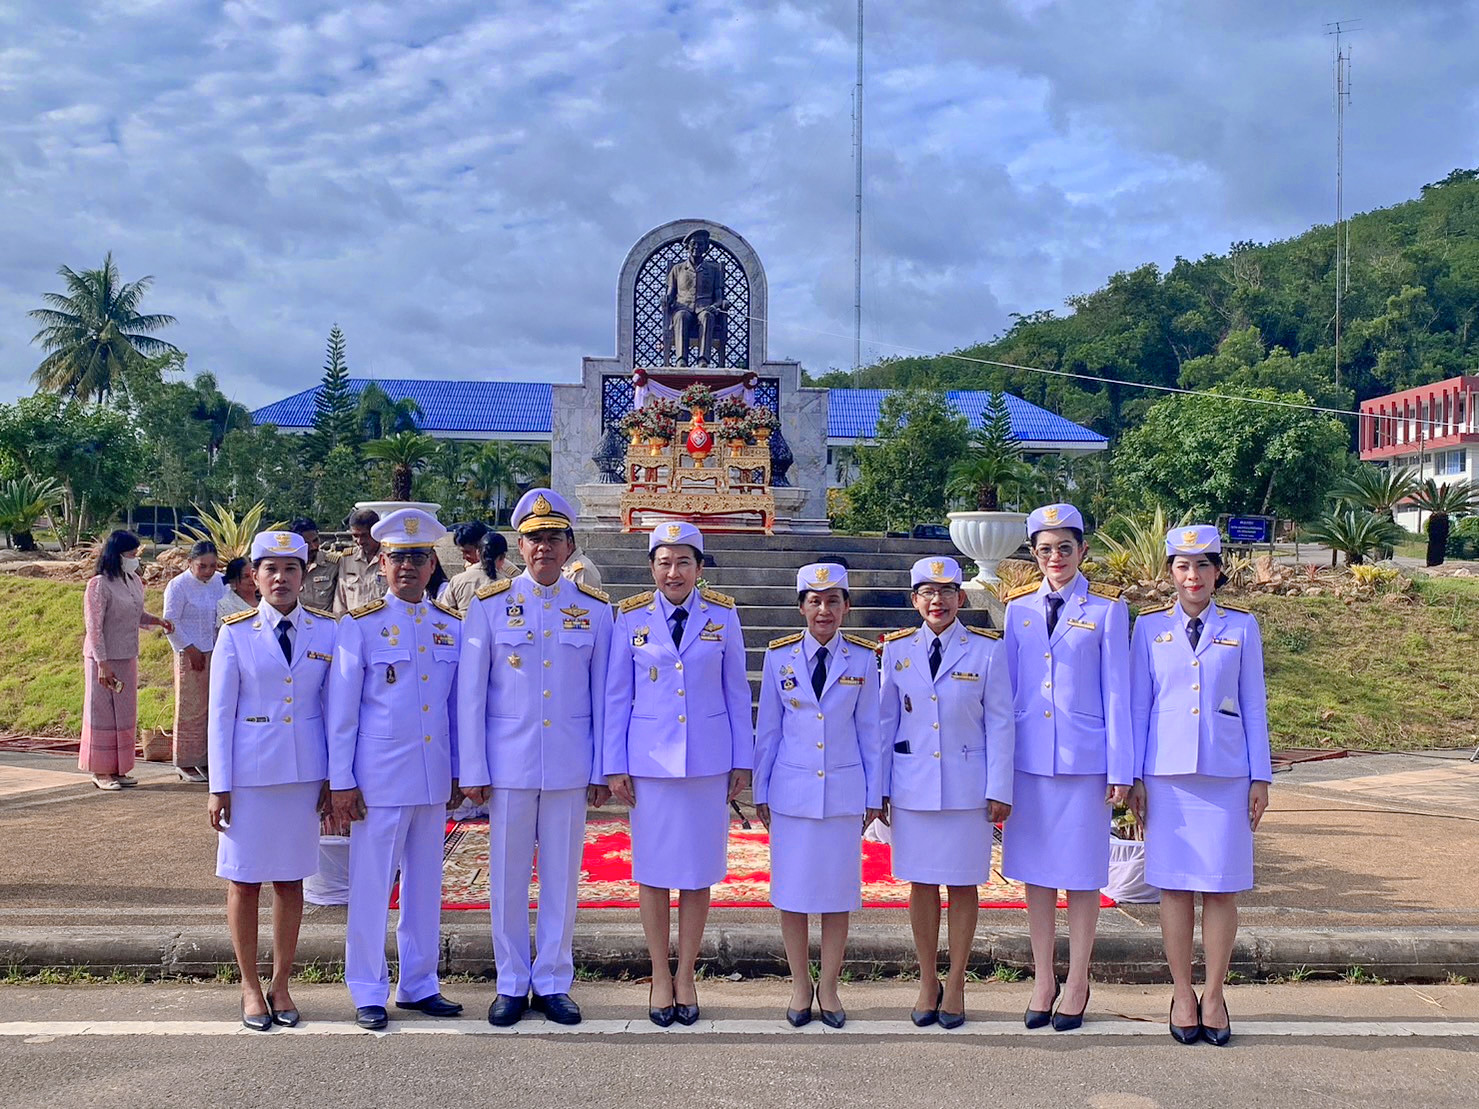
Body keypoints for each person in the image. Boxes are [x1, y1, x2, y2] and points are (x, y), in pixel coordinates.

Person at [458, 489, 613, 1027]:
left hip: (570, 764)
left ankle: (552, 980)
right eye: (534, 538)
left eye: (554, 538)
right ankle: (510, 981)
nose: (544, 547)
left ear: (570, 546)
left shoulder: (594, 610)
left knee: (563, 876)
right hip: (510, 765)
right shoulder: (489, 605)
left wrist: (601, 768)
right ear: (519, 545)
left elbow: (604, 696)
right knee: (506, 876)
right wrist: (473, 769)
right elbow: (471, 695)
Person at [604, 520, 751, 1026]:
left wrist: (742, 760)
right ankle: (659, 976)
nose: (674, 572)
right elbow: (616, 696)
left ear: (699, 569)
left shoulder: (723, 617)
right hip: (649, 766)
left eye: (683, 562)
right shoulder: (630, 619)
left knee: (697, 871)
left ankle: (686, 974)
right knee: (651, 871)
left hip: (708, 762)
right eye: (664, 562)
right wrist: (614, 765)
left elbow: (737, 692)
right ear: (652, 568)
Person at [1129, 526, 1271, 1047]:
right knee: (1174, 886)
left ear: (1217, 572)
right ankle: (1182, 992)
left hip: (1227, 775)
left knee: (1220, 886)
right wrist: (1135, 777)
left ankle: (1214, 993)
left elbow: (1254, 704)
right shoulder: (1147, 629)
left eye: (1203, 565)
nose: (1193, 576)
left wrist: (1261, 776)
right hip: (1166, 777)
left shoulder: (1243, 627)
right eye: (1182, 566)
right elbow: (1137, 707)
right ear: (1170, 572)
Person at [327, 508, 464, 1031]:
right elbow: (343, 713)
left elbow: (453, 709)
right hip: (378, 777)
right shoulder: (359, 627)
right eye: (397, 557)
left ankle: (419, 983)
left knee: (426, 885)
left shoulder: (449, 627)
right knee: (371, 885)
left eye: (417, 557)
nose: (407, 566)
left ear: (432, 565)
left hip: (431, 776)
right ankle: (366, 987)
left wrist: (457, 771)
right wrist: (342, 781)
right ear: (381, 563)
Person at [1001, 504, 1133, 1031]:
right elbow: (1005, 696)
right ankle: (1042, 978)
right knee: (1034, 874)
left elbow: (1118, 694)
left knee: (1080, 876)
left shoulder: (1106, 610)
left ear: (1082, 551)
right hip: (1030, 762)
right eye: (1044, 549)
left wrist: (1120, 769)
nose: (1054, 558)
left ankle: (1077, 979)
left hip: (1084, 763)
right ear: (1034, 554)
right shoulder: (1018, 611)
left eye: (1064, 548)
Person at [208, 530, 337, 1031]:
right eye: (270, 570)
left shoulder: (326, 632)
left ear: (303, 576)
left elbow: (332, 709)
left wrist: (333, 776)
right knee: (243, 879)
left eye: (291, 569)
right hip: (249, 777)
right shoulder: (235, 633)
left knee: (289, 879)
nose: (281, 579)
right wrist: (219, 785)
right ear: (254, 578)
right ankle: (248, 986)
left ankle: (281, 982)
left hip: (304, 774)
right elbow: (221, 716)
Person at [880, 556, 1013, 1029]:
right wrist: (880, 791)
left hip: (967, 789)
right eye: (926, 592)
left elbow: (1000, 723)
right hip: (913, 786)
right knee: (920, 884)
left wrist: (1000, 787)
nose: (937, 601)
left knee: (961, 885)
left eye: (947, 591)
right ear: (914, 599)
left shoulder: (987, 652)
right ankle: (927, 980)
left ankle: (955, 982)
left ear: (961, 597)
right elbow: (884, 724)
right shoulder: (896, 651)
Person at [753, 563, 883, 1029]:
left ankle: (828, 987)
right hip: (791, 792)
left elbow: (871, 731)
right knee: (791, 894)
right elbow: (768, 729)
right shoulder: (779, 657)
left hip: (843, 793)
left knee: (836, 895)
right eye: (814, 601)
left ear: (846, 607)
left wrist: (875, 792)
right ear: (802, 607)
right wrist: (760, 788)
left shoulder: (864, 660)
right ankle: (799, 985)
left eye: (833, 601)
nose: (823, 610)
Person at [80, 530, 173, 791]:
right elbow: (94, 627)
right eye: (131, 554)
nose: (135, 558)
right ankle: (101, 771)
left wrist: (156, 621)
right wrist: (102, 663)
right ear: (117, 554)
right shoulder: (98, 584)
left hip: (127, 655)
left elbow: (135, 613)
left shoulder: (132, 580)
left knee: (124, 713)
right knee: (102, 713)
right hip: (103, 658)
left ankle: (119, 768)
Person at [163, 541, 226, 783]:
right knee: (191, 708)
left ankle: (208, 760)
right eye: (202, 566)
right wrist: (190, 649)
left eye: (212, 566)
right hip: (189, 652)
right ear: (190, 563)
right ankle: (186, 762)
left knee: (215, 706)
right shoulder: (178, 586)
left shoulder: (220, 582)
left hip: (217, 650)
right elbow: (170, 622)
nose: (208, 571)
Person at [444, 530, 515, 615]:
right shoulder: (508, 584)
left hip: (463, 627)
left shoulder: (457, 580)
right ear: (503, 557)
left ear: (478, 552)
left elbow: (445, 613)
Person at [332, 508, 386, 616]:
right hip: (354, 626)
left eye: (365, 536)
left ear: (376, 532)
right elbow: (340, 602)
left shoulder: (390, 558)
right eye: (355, 536)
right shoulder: (347, 559)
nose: (360, 541)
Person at [291, 517, 339, 612]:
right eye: (307, 543)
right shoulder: (288, 566)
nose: (313, 546)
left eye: (315, 540)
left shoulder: (333, 564)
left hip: (324, 622)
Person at [217, 557, 258, 627]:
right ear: (233, 580)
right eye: (246, 576)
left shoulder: (267, 598)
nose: (252, 579)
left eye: (254, 574)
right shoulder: (225, 606)